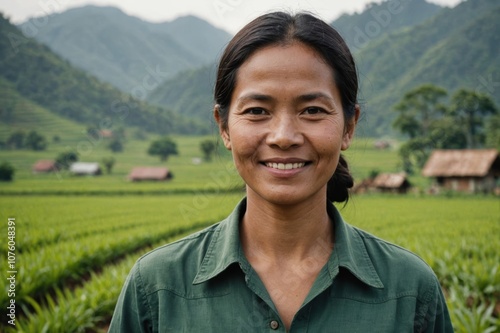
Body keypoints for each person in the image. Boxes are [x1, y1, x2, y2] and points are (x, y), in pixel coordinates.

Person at [109, 11, 454, 332]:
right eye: (258, 110)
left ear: (349, 126)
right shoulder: (156, 287)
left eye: (313, 110)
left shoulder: (410, 291)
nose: (284, 137)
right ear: (224, 127)